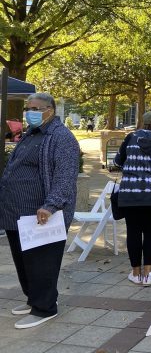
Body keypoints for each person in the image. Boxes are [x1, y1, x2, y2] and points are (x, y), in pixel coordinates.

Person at [0, 93, 79, 329]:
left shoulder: (61, 137)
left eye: (35, 108)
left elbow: (65, 176)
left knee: (41, 263)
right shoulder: (32, 133)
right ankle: (34, 299)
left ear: (50, 110)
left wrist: (51, 204)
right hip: (16, 212)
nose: (29, 113)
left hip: (41, 214)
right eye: (28, 108)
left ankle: (45, 308)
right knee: (23, 262)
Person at [114, 110, 151, 286]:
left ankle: (135, 273)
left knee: (133, 232)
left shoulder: (130, 138)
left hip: (130, 194)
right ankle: (148, 275)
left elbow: (117, 162)